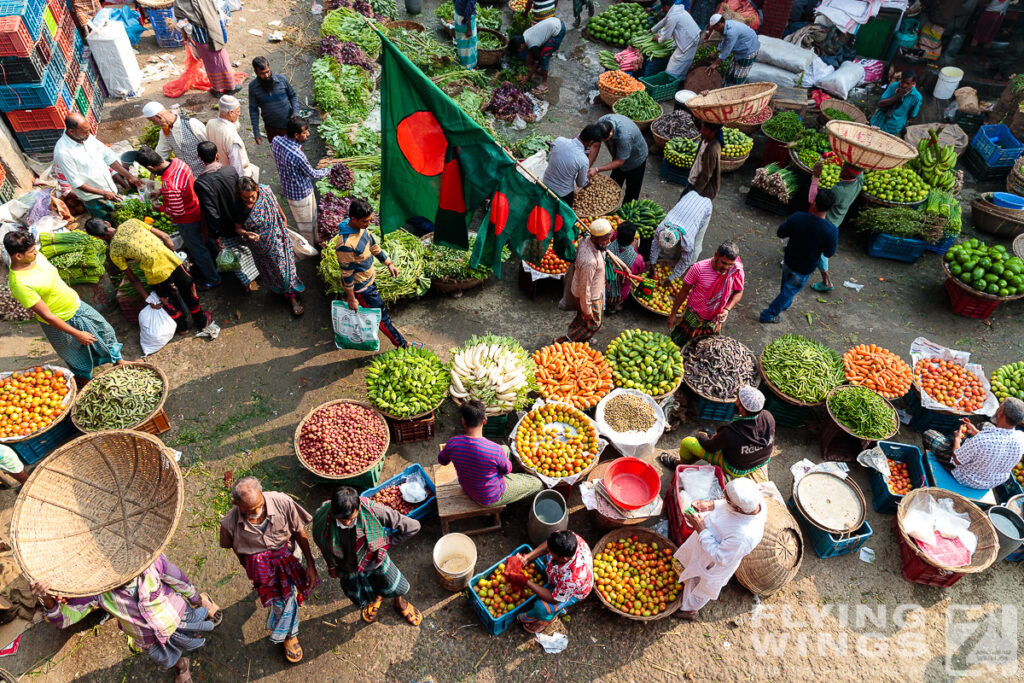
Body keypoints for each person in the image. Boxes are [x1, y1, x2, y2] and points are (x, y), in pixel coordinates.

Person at [30, 555, 219, 683]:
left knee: (192, 631)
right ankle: (181, 666)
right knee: (166, 657)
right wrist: (47, 598)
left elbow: (177, 578)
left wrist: (195, 599)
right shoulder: (99, 594)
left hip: (176, 615)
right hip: (149, 639)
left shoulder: (153, 562)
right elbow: (64, 618)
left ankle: (206, 604)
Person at [4, 231, 126, 383]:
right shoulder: (20, 284)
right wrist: (77, 333)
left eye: (35, 248)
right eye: (31, 251)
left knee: (105, 331)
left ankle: (118, 361)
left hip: (76, 305)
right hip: (60, 322)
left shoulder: (37, 257)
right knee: (75, 353)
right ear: (18, 256)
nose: (36, 252)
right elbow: (48, 316)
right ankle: (87, 382)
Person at [219, 477, 317, 664]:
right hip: (263, 571)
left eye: (259, 506)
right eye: (249, 511)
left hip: (290, 559)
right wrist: (252, 572)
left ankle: (289, 634)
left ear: (262, 494)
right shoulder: (229, 524)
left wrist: (311, 564)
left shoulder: (282, 502)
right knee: (280, 603)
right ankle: (288, 633)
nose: (256, 513)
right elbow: (236, 550)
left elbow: (300, 532)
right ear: (235, 504)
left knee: (287, 601)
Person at [311, 486, 423, 626]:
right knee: (363, 592)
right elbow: (323, 544)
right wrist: (332, 566)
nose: (346, 523)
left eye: (351, 519)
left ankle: (399, 603)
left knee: (394, 587)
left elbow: (413, 526)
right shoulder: (322, 518)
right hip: (347, 567)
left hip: (374, 561)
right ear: (333, 510)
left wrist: (386, 542)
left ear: (358, 507)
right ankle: (376, 599)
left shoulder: (372, 510)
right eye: (341, 519)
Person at [85, 217, 214, 335]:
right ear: (107, 223)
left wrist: (147, 297)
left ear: (98, 237)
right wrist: (174, 253)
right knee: (189, 293)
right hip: (172, 263)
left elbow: (133, 278)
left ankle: (183, 328)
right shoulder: (132, 222)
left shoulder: (114, 251)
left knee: (168, 302)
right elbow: (165, 237)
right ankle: (201, 322)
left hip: (156, 276)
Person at [674, 479, 766, 620]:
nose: (724, 498)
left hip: (712, 563)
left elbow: (720, 557)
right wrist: (709, 505)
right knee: (691, 570)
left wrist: (701, 529)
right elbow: (726, 506)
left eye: (727, 498)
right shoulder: (753, 502)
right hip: (704, 543)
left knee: (700, 589)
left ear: (738, 509)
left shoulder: (744, 536)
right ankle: (686, 582)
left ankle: (689, 610)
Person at [136, 147, 222, 290]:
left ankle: (213, 279)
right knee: (208, 241)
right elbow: (180, 185)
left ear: (151, 167)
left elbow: (177, 211)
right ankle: (219, 264)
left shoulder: (170, 184)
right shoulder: (177, 162)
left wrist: (160, 208)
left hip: (188, 219)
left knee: (198, 250)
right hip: (198, 207)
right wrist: (160, 191)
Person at [438, 400, 544, 506]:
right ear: (485, 420)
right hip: (489, 497)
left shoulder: (453, 443)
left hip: (468, 487)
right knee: (537, 484)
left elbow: (442, 461)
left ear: (463, 421)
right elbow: (507, 470)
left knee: (505, 449)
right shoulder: (494, 450)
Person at [335, 199, 409, 347]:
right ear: (353, 219)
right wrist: (351, 298)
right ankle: (402, 344)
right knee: (382, 318)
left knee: (374, 313)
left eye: (370, 220)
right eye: (365, 221)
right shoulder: (345, 245)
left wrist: (389, 263)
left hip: (369, 280)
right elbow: (347, 275)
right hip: (362, 288)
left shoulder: (361, 229)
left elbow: (373, 246)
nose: (369, 223)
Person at [660, 387, 775, 478]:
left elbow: (710, 447)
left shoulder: (731, 433)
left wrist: (701, 436)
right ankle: (713, 439)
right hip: (762, 459)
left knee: (687, 442)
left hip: (737, 468)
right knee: (718, 437)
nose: (736, 400)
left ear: (742, 409)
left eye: (738, 400)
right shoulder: (768, 416)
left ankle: (678, 464)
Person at [759, 190, 838, 324]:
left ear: (814, 203)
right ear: (830, 208)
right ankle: (769, 314)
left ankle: (783, 303)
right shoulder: (831, 231)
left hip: (789, 260)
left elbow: (780, 233)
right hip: (805, 268)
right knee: (789, 291)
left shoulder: (798, 217)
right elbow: (828, 253)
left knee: (786, 286)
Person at [235, 176, 307, 317]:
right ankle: (280, 290)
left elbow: (275, 204)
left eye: (252, 196)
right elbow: (237, 228)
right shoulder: (238, 207)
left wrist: (283, 218)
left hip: (278, 237)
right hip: (260, 247)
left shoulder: (266, 192)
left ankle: (292, 298)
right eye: (245, 199)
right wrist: (247, 233)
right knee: (271, 271)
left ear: (257, 189)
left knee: (284, 268)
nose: (250, 200)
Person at [53, 114, 143, 220]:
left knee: (120, 216)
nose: (89, 134)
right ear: (72, 131)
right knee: (106, 223)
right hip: (94, 198)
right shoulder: (63, 152)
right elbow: (76, 183)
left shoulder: (86, 137)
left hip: (109, 189)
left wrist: (130, 176)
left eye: (89, 130)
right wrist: (103, 193)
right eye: (85, 131)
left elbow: (108, 157)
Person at [923, 398, 1024, 490]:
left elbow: (956, 460)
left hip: (967, 478)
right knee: (986, 425)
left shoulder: (982, 440)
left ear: (1000, 413)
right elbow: (995, 445)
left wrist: (957, 439)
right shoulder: (1021, 438)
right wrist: (975, 431)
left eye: (999, 407)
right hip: (991, 481)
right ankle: (954, 443)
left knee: (929, 435)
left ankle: (927, 468)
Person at [515, 530, 593, 633]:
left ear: (564, 558)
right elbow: (548, 544)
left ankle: (548, 618)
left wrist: (526, 582)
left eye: (551, 551)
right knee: (543, 556)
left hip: (572, 592)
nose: (548, 550)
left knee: (541, 608)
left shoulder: (573, 578)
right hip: (561, 576)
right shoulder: (568, 539)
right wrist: (527, 557)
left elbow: (554, 599)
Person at [667, 241, 744, 343]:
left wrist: (726, 309)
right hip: (694, 314)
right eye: (724, 263)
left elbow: (739, 291)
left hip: (715, 319)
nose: (726, 268)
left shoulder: (735, 270)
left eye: (730, 265)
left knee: (707, 347)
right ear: (716, 255)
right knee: (681, 341)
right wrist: (673, 314)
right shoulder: (699, 268)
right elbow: (684, 290)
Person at [271, 116, 329, 244]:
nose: (308, 134)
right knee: (307, 225)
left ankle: (314, 242)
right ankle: (310, 248)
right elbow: (312, 174)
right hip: (301, 194)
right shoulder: (298, 155)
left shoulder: (276, 141)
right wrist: (327, 170)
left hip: (288, 189)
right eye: (305, 132)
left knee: (305, 220)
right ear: (296, 135)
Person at [808, 161, 863, 292]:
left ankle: (827, 282)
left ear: (847, 173)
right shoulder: (859, 180)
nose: (840, 168)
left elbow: (813, 200)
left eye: (843, 168)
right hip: (836, 220)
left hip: (827, 223)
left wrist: (816, 177)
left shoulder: (838, 190)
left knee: (821, 253)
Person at [556, 217, 612, 344]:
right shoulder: (589, 262)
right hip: (590, 296)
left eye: (609, 238)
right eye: (605, 239)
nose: (608, 242)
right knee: (594, 323)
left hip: (589, 288)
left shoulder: (586, 240)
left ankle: (582, 338)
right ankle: (566, 340)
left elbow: (605, 251)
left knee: (582, 320)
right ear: (596, 238)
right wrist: (587, 309)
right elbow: (585, 287)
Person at [173, 0, 239, 96]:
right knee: (220, 60)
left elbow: (181, 23)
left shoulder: (179, 3)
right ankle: (228, 87)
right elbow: (218, 10)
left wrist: (186, 33)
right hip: (212, 32)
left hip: (203, 36)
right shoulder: (180, 3)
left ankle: (218, 89)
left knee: (212, 62)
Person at [649, 189, 713, 272]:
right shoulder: (662, 227)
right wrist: (652, 263)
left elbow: (685, 262)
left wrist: (671, 278)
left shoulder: (688, 240)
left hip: (705, 206)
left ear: (679, 239)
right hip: (690, 195)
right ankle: (675, 258)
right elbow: (655, 244)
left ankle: (690, 268)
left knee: (696, 241)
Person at [591, 114, 649, 204]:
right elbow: (595, 145)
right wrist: (588, 165)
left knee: (632, 192)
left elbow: (619, 162)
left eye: (604, 140)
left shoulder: (624, 136)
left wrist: (597, 169)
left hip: (636, 159)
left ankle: (625, 213)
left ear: (610, 133)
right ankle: (609, 206)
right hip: (618, 156)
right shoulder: (600, 123)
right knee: (612, 186)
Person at [143, 102, 209, 178]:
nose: (154, 124)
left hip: (207, 171)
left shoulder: (191, 123)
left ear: (159, 116)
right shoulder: (165, 131)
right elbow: (161, 153)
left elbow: (211, 144)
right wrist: (152, 175)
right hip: (189, 176)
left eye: (153, 121)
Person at [206, 95, 259, 181]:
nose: (239, 114)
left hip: (221, 172)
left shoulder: (210, 123)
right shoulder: (232, 138)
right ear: (230, 113)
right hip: (235, 178)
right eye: (237, 112)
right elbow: (238, 170)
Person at [543, 126, 599, 204]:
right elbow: (580, 183)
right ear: (590, 142)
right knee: (569, 199)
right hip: (562, 194)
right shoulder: (583, 160)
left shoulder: (559, 140)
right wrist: (587, 180)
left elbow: (550, 156)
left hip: (545, 183)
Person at [249, 57, 299, 146]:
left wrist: (295, 112)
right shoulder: (253, 87)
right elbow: (253, 111)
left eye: (268, 72)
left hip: (289, 124)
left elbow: (293, 96)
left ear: (269, 68)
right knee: (278, 153)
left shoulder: (282, 80)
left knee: (295, 152)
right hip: (272, 128)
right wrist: (256, 133)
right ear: (255, 72)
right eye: (262, 73)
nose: (266, 76)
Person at [513, 16, 566, 95]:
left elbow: (536, 60)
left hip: (559, 30)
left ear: (521, 46)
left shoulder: (531, 43)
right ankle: (542, 70)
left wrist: (527, 77)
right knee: (540, 53)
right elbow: (530, 51)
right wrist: (528, 65)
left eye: (518, 50)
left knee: (544, 56)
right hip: (555, 22)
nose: (519, 51)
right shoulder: (525, 35)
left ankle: (544, 84)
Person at [651, 0, 701, 80]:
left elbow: (665, 37)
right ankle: (680, 80)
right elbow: (664, 21)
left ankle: (670, 82)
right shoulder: (676, 9)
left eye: (662, 7)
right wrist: (652, 30)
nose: (662, 9)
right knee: (685, 63)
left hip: (687, 41)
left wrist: (658, 38)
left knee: (674, 66)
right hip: (694, 36)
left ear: (666, 7)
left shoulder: (672, 16)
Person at [706, 14, 760, 86]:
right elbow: (724, 41)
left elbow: (727, 49)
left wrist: (715, 64)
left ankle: (733, 91)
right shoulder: (726, 25)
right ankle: (725, 86)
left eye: (715, 28)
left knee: (738, 76)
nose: (715, 31)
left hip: (748, 50)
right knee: (731, 70)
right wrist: (715, 53)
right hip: (740, 48)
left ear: (720, 24)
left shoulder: (731, 31)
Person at [606, 221, 645, 312]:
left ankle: (607, 305)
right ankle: (615, 306)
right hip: (620, 293)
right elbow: (639, 270)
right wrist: (635, 249)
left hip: (604, 286)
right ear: (632, 240)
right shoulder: (637, 259)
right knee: (621, 295)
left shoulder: (607, 248)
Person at [688, 121, 722, 200]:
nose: (701, 131)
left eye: (705, 129)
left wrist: (695, 194)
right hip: (694, 181)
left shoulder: (711, 150)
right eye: (702, 128)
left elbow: (706, 175)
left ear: (713, 131)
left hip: (702, 190)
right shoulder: (704, 140)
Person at [453, 0, 478, 69]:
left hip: (458, 16)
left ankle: (462, 63)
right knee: (469, 44)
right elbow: (468, 10)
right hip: (466, 21)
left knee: (462, 42)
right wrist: (469, 29)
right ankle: (468, 67)